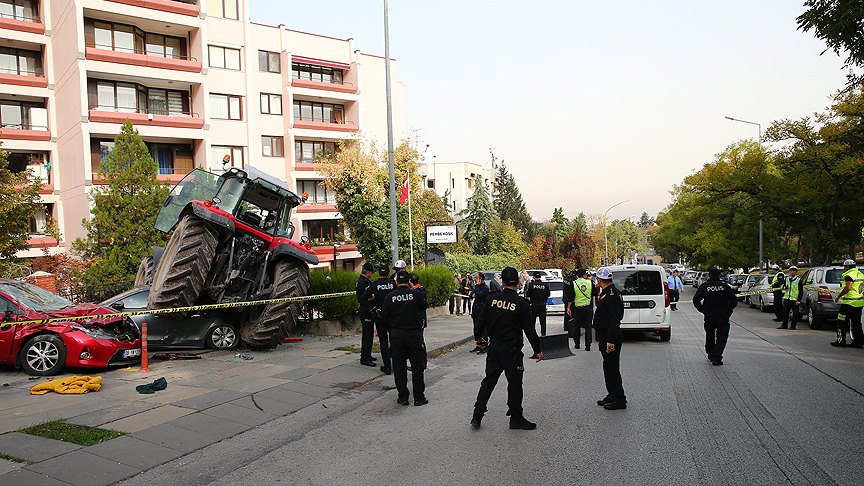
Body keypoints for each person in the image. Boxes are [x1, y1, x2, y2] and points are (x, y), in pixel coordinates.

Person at [471, 266, 543, 430]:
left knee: (488, 382)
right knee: (515, 383)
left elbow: (480, 321)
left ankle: (477, 416)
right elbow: (530, 330)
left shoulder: (492, 299)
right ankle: (516, 418)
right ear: (518, 282)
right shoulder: (521, 304)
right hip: (511, 349)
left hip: (494, 347)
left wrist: (478, 339)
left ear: (502, 282)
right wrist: (537, 350)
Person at [381, 272, 428, 406]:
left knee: (399, 368)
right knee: (417, 368)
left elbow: (383, 318)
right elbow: (424, 306)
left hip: (397, 336)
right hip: (414, 335)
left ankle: (403, 397)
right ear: (409, 281)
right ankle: (419, 397)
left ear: (396, 282)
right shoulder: (416, 294)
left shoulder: (390, 297)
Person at [592, 267, 626, 410]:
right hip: (605, 336)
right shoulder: (607, 293)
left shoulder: (611, 295)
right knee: (608, 367)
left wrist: (610, 340)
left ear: (599, 280)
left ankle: (619, 399)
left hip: (609, 337)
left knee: (612, 369)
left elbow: (614, 319)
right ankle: (612, 394)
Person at [693, 268, 738, 365]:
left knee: (710, 335)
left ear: (709, 275)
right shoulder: (724, 286)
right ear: (719, 276)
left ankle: (710, 354)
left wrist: (702, 309)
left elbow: (696, 299)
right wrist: (729, 310)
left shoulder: (705, 286)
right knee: (722, 336)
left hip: (709, 315)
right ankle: (717, 357)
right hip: (723, 315)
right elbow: (734, 300)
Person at [361, 266, 396, 374]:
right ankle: (397, 364)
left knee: (383, 342)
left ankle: (387, 367)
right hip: (392, 316)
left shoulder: (374, 285)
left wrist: (373, 301)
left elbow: (363, 298)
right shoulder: (393, 284)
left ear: (379, 274)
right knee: (394, 341)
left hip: (380, 316)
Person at [831, 259, 864, 348]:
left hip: (848, 303)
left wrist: (839, 296)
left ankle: (841, 341)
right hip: (859, 303)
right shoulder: (860, 274)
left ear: (848, 266)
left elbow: (848, 287)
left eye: (844, 266)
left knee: (841, 322)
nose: (844, 268)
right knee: (856, 323)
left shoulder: (849, 275)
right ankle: (858, 342)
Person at [569, 268, 598, 351]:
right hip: (588, 307)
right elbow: (595, 293)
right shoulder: (590, 282)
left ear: (577, 275)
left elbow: (571, 296)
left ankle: (577, 344)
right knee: (588, 326)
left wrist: (568, 307)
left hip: (577, 308)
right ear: (585, 274)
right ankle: (588, 346)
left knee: (577, 326)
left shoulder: (574, 283)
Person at [355, 262, 377, 367]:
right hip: (366, 311)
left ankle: (368, 354)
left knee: (370, 334)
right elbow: (365, 297)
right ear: (367, 272)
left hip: (369, 311)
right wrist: (373, 297)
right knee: (367, 335)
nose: (372, 274)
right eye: (371, 272)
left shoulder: (365, 281)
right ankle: (365, 358)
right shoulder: (363, 282)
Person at [469, 273, 491, 353]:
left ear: (481, 279)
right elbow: (471, 295)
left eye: (477, 278)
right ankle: (478, 345)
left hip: (481, 311)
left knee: (483, 329)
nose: (475, 279)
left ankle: (485, 346)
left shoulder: (485, 288)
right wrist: (473, 293)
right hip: (475, 311)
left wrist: (477, 287)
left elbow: (478, 295)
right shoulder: (477, 287)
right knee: (476, 329)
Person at [524, 272, 551, 336]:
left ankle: (533, 334)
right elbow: (548, 294)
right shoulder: (545, 285)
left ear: (534, 277)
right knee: (543, 321)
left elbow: (528, 294)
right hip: (542, 305)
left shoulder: (531, 285)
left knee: (533, 321)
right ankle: (543, 334)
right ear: (540, 277)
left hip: (534, 305)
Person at [777, 266, 802, 330]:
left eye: (794, 271)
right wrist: (785, 288)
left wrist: (799, 300)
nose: (792, 272)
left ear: (796, 272)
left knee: (795, 314)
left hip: (794, 299)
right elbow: (783, 287)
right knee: (785, 313)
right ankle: (784, 325)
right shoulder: (787, 278)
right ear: (789, 271)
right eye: (791, 270)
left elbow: (801, 291)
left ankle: (793, 326)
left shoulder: (798, 280)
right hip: (787, 298)